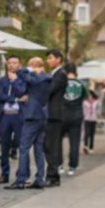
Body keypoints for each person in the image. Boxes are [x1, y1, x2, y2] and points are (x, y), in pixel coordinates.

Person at [6, 57, 50, 190]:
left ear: (32, 66)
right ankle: (39, 179)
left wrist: (16, 77)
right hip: (43, 116)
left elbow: (25, 82)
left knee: (24, 148)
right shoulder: (48, 78)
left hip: (32, 116)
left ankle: (21, 180)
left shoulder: (36, 77)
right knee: (38, 149)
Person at [0, 56, 27, 184]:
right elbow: (0, 96)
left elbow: (22, 92)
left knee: (21, 145)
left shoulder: (23, 79)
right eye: (9, 63)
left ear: (20, 64)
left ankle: (22, 175)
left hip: (18, 116)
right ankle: (4, 174)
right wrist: (14, 99)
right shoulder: (3, 80)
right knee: (4, 146)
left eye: (14, 63)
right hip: (5, 116)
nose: (12, 65)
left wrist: (14, 82)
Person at [43, 49, 68, 187]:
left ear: (58, 59)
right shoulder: (54, 74)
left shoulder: (60, 74)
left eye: (51, 58)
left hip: (54, 115)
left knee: (50, 145)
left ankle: (52, 176)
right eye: (47, 58)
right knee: (48, 145)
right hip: (51, 114)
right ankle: (53, 175)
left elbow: (49, 91)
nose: (48, 61)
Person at [60, 64, 85, 176]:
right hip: (76, 116)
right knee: (74, 142)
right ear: (76, 72)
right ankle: (72, 167)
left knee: (57, 141)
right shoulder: (82, 84)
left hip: (62, 115)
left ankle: (59, 165)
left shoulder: (61, 83)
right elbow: (86, 97)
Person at [82, 85, 100, 153]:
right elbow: (83, 110)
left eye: (90, 95)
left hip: (94, 119)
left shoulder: (96, 102)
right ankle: (85, 146)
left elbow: (98, 110)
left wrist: (98, 115)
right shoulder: (84, 102)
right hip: (86, 119)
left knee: (92, 134)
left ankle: (91, 147)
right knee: (86, 133)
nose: (89, 97)